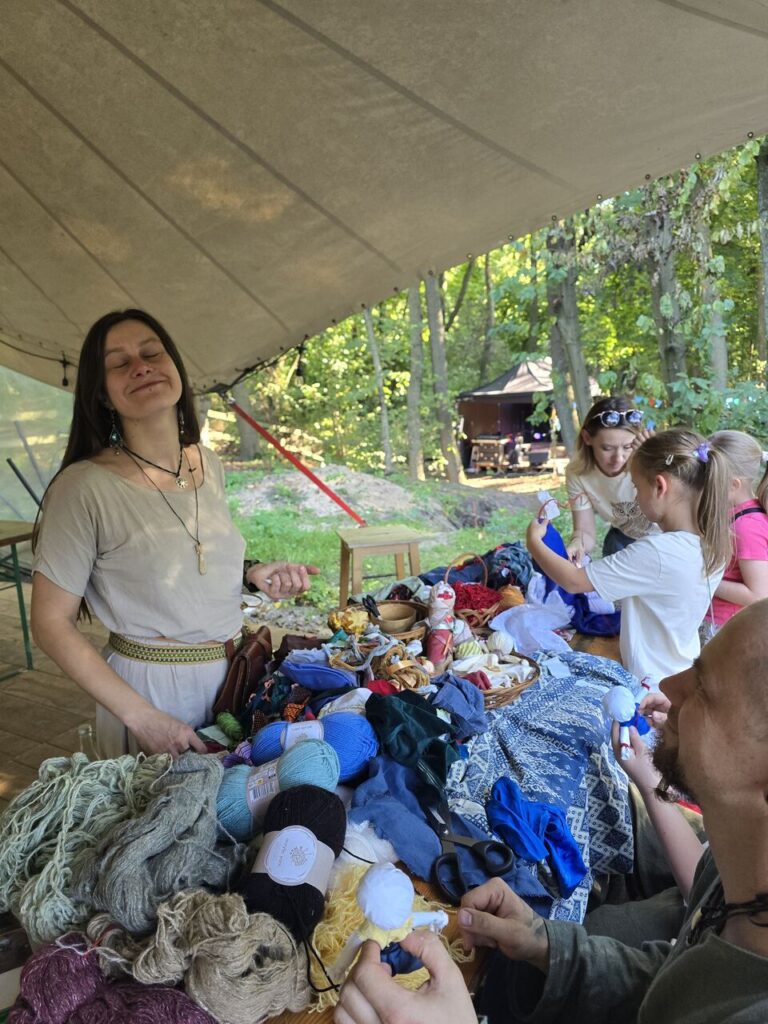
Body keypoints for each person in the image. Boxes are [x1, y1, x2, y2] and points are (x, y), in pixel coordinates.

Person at [333, 599, 768, 1024]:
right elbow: (674, 981)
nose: (670, 686)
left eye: (704, 688)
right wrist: (544, 944)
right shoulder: (731, 875)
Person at [30, 309, 318, 759]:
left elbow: (187, 552)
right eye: (119, 363)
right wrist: (143, 718)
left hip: (233, 678)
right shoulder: (82, 488)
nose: (141, 367)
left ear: (175, 367)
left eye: (151, 353)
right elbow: (49, 623)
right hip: (152, 694)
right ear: (101, 393)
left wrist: (250, 574)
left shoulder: (206, 462)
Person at [526, 428, 730, 686]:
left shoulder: (658, 553)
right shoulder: (711, 540)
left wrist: (534, 542)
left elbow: (574, 581)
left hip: (651, 683)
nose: (635, 496)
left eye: (636, 486)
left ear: (660, 486)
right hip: (680, 668)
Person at [565, 395, 658, 565]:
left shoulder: (649, 461)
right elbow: (584, 531)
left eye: (627, 447)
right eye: (607, 448)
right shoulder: (577, 473)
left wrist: (657, 462)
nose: (618, 458)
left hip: (667, 536)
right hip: (624, 538)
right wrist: (577, 543)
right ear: (587, 438)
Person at [699, 429, 768, 643]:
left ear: (732, 485)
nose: (700, 485)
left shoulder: (747, 527)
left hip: (724, 630)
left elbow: (759, 594)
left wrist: (703, 579)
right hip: (715, 621)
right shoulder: (735, 514)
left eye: (706, 478)